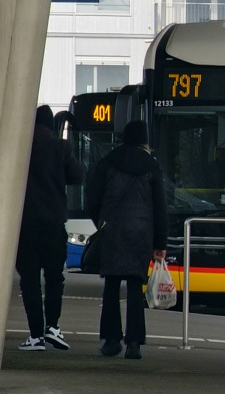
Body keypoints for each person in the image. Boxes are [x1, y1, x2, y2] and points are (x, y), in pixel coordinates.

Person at [86, 120, 168, 360]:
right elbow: (160, 207)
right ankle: (134, 343)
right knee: (135, 286)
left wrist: (101, 224)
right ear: (144, 138)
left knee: (111, 285)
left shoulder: (109, 161)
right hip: (141, 232)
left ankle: (111, 340)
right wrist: (159, 243)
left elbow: (93, 197)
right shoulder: (151, 165)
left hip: (113, 231)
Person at [15, 105, 85, 351]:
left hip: (25, 225)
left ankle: (35, 335)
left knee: (30, 280)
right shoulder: (60, 147)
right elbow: (77, 176)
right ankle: (52, 327)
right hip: (54, 223)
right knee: (55, 277)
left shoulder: (20, 146)